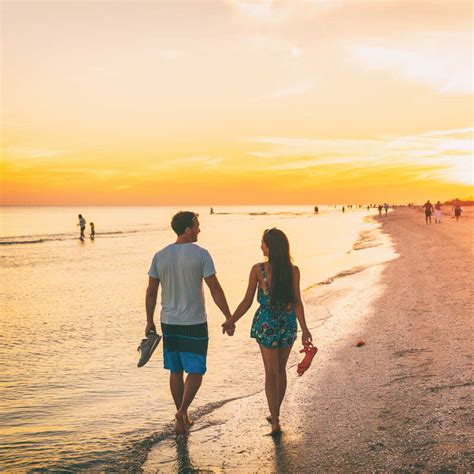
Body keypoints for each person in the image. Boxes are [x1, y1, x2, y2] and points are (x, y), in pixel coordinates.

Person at [145, 211, 233, 435]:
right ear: (187, 230)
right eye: (197, 226)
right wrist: (228, 316)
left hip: (169, 322)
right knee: (196, 370)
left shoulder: (160, 255)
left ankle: (181, 418)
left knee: (175, 370)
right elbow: (214, 288)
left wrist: (149, 321)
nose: (199, 230)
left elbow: (151, 292)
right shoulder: (201, 254)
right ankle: (183, 411)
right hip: (194, 322)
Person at [222, 228, 313, 435]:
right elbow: (297, 301)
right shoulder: (293, 270)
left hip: (266, 324)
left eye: (263, 243)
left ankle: (275, 422)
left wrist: (231, 320)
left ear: (270, 247)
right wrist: (305, 329)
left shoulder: (258, 269)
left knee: (270, 373)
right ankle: (275, 415)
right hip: (288, 323)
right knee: (280, 371)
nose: (260, 246)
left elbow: (247, 301)